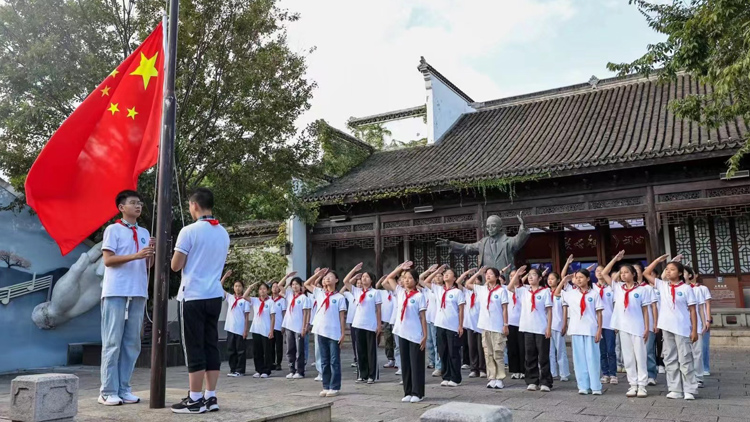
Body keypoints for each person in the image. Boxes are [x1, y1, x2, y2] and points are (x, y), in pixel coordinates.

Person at [170, 187, 230, 414]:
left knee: (194, 346)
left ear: (194, 205)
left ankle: (194, 399)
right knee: (211, 344)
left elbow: (176, 265)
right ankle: (210, 396)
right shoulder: (223, 232)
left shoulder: (188, 231)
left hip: (193, 296)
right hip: (214, 295)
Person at [98, 190, 154, 406]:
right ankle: (107, 390)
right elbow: (108, 260)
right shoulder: (113, 229)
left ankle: (124, 388)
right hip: (116, 291)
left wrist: (150, 254)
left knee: (132, 343)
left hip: (138, 291)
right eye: (133, 203)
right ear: (121, 207)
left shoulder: (144, 232)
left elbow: (146, 265)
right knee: (112, 342)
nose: (138, 206)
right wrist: (137, 255)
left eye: (139, 203)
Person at [643, 255, 699, 400]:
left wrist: (694, 330)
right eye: (667, 269)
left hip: (682, 327)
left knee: (685, 358)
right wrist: (657, 261)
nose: (668, 272)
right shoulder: (662, 285)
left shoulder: (687, 288)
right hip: (666, 327)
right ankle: (675, 388)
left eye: (672, 270)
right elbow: (646, 273)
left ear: (680, 273)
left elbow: (692, 310)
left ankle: (689, 389)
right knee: (670, 358)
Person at [601, 251, 651, 397]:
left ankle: (642, 385)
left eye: (626, 272)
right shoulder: (617, 288)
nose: (623, 275)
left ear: (633, 274)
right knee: (628, 357)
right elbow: (604, 274)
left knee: (640, 356)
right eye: (621, 273)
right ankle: (633, 384)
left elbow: (645, 310)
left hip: (638, 327)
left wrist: (647, 327)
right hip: (623, 327)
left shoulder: (642, 290)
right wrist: (615, 259)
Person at [383, 261, 428, 403]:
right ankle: (407, 391)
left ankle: (418, 392)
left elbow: (422, 317)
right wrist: (400, 268)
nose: (406, 280)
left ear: (415, 281)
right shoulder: (400, 292)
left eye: (409, 278)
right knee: (405, 363)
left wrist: (425, 335)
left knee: (416, 364)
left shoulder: (419, 296)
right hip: (401, 332)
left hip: (415, 334)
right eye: (404, 278)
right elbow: (389, 279)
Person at [555, 268, 604, 395]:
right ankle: (583, 385)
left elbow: (599, 313)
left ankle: (595, 386)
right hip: (576, 329)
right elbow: (556, 293)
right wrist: (564, 280)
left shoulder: (594, 294)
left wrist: (599, 330)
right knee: (579, 359)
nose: (578, 280)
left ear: (588, 279)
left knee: (592, 358)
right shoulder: (571, 293)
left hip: (591, 329)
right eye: (576, 278)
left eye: (581, 277)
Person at [508, 266, 553, 392]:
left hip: (541, 328)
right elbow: (509, 287)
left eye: (534, 275)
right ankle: (532, 380)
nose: (531, 277)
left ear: (539, 278)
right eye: (529, 275)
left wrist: (549, 327)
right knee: (529, 355)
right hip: (527, 328)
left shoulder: (545, 292)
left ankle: (545, 381)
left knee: (543, 356)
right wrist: (517, 274)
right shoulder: (523, 291)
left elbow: (549, 311)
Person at [465, 266, 510, 389]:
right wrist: (478, 273)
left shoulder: (501, 291)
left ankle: (500, 378)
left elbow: (505, 309)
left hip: (497, 326)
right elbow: (467, 284)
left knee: (498, 352)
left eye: (491, 274)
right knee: (488, 353)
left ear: (496, 277)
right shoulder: (482, 289)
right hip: (485, 326)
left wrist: (506, 325)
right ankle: (492, 377)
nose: (488, 276)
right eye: (486, 274)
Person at [305, 268, 347, 397]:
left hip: (334, 332)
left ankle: (334, 386)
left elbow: (341, 316)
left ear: (336, 280)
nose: (327, 278)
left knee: (334, 361)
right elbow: (307, 284)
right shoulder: (319, 293)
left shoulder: (340, 297)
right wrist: (318, 274)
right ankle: (326, 385)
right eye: (325, 277)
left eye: (330, 277)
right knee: (324, 361)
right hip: (320, 330)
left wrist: (343, 333)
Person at [422, 265, 466, 387]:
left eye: (449, 273)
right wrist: (436, 271)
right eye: (445, 273)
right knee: (443, 352)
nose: (446, 275)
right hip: (440, 325)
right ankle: (446, 376)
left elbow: (461, 310)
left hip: (452, 326)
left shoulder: (457, 292)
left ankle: (455, 378)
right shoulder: (438, 289)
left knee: (453, 353)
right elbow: (423, 281)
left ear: (454, 278)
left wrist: (461, 326)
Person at [343, 263, 382, 384]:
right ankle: (362, 374)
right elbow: (346, 282)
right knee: (360, 351)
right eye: (363, 277)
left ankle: (371, 375)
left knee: (371, 351)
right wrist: (354, 271)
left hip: (370, 325)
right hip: (357, 324)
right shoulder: (357, 291)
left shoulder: (375, 293)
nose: (364, 278)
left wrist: (379, 325)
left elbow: (378, 310)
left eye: (366, 277)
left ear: (371, 280)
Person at [243, 281, 276, 378]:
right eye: (260, 289)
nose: (262, 291)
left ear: (268, 290)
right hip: (256, 328)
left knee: (267, 351)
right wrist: (251, 286)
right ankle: (258, 369)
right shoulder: (255, 300)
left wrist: (271, 330)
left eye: (264, 289)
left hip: (266, 329)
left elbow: (272, 317)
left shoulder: (270, 302)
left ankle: (266, 370)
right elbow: (244, 296)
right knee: (257, 351)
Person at [280, 275, 311, 379]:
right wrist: (287, 277)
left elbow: (306, 314)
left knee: (299, 350)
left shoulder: (304, 298)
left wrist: (304, 327)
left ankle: (300, 371)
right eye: (293, 284)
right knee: (290, 349)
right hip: (289, 326)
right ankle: (291, 370)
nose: (294, 286)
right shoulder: (289, 295)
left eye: (297, 284)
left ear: (301, 286)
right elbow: (279, 285)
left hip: (299, 327)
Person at [221, 272, 250, 377]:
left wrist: (245, 330)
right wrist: (225, 276)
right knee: (231, 349)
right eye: (236, 286)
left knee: (240, 350)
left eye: (239, 286)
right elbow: (219, 287)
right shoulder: (230, 297)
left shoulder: (245, 300)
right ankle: (233, 369)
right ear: (233, 288)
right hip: (230, 328)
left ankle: (240, 370)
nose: (237, 288)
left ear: (242, 288)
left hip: (240, 328)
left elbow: (246, 316)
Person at [683, 266, 707, 387]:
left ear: (690, 276)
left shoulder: (696, 290)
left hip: (695, 324)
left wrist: (704, 322)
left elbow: (701, 308)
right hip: (681, 325)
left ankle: (698, 376)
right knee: (684, 353)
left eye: (684, 272)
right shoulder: (675, 289)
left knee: (697, 352)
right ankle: (687, 376)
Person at [594, 265, 618, 385]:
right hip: (597, 324)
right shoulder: (592, 288)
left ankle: (613, 373)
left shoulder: (611, 289)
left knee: (611, 350)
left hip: (610, 323)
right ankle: (605, 373)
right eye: (597, 271)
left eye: (602, 271)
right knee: (601, 350)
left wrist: (616, 323)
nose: (599, 273)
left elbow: (615, 307)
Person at [546, 266, 570, 382]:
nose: (550, 281)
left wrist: (564, 324)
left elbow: (565, 309)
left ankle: (564, 373)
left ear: (557, 280)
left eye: (552, 279)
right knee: (549, 351)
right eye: (548, 279)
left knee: (561, 350)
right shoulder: (545, 292)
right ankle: (552, 372)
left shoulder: (562, 293)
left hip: (558, 324)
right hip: (547, 326)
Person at [460, 274, 486, 379]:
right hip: (470, 324)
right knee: (472, 347)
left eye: (477, 280)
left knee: (481, 348)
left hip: (480, 324)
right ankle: (474, 369)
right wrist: (472, 273)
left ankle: (482, 369)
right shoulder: (466, 292)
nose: (474, 282)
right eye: (473, 280)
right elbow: (461, 283)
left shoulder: (482, 291)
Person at [420, 265, 442, 377]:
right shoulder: (427, 289)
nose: (437, 278)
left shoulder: (441, 289)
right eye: (436, 276)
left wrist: (436, 272)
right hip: (428, 319)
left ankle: (439, 366)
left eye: (440, 276)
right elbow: (420, 280)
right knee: (429, 343)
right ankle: (432, 361)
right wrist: (429, 271)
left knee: (437, 343)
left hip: (437, 320)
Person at [506, 269, 525, 380]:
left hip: (522, 322)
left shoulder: (525, 289)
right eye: (511, 275)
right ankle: (514, 370)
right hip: (510, 322)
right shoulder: (505, 289)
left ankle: (523, 369)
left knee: (522, 348)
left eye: (515, 275)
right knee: (511, 347)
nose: (512, 277)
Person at [269, 281, 287, 371]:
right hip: (270, 327)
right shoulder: (268, 300)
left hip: (279, 326)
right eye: (273, 287)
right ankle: (272, 362)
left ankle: (278, 363)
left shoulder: (282, 300)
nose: (275, 288)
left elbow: (284, 313)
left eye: (277, 287)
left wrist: (283, 325)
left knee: (279, 346)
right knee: (270, 346)